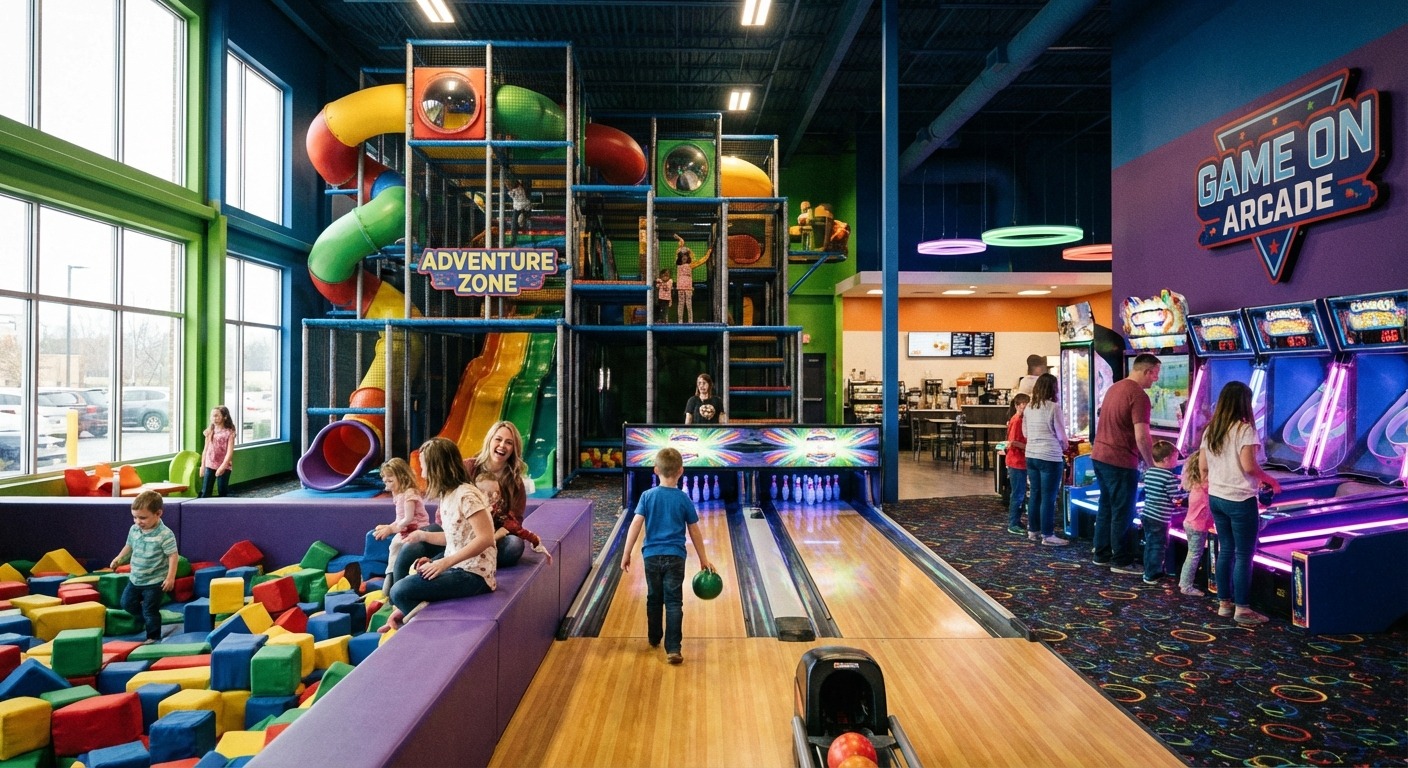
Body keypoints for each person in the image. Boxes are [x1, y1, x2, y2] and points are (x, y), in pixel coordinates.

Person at [384, 437, 496, 631]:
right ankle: (411, 614)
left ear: (438, 468)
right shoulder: (448, 495)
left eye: (425, 467)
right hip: (459, 568)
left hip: (475, 576)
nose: (423, 473)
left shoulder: (466, 495)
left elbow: (486, 538)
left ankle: (428, 629)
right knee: (405, 586)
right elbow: (455, 537)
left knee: (399, 591)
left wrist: (444, 563)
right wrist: (423, 536)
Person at [620, 446, 714, 665]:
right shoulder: (683, 498)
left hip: (651, 556)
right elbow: (695, 530)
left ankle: (654, 637)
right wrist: (703, 559)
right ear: (681, 471)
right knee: (674, 602)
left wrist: (626, 553)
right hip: (675, 557)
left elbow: (635, 524)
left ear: (655, 470)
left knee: (654, 598)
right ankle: (673, 648)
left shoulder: (647, 496)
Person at [1198, 381, 1280, 626]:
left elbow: (1202, 467)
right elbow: (1248, 466)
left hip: (1217, 498)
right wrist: (1270, 481)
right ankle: (1243, 609)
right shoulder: (1244, 429)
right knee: (1244, 554)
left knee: (1226, 550)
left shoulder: (1211, 430)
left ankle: (1225, 604)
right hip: (1240, 499)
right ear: (1244, 403)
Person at [1091, 353, 1161, 575]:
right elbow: (1142, 436)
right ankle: (1121, 560)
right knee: (1123, 510)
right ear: (1147, 371)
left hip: (1100, 455)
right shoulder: (1139, 396)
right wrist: (1151, 464)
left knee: (1106, 507)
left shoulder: (1115, 388)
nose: (1155, 380)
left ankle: (1101, 554)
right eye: (1155, 374)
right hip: (1119, 459)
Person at [464, 420, 552, 568]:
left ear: (513, 449)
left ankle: (476, 557)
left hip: (496, 536)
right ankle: (470, 555)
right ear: (490, 441)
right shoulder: (469, 467)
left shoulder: (515, 482)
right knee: (430, 533)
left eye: (509, 442)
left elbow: (515, 520)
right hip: (465, 530)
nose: (502, 445)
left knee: (514, 545)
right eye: (498, 439)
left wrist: (494, 536)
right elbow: (449, 498)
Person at [111, 490, 178, 643]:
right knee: (126, 603)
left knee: (150, 610)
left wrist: (170, 578)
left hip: (155, 581)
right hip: (136, 578)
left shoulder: (165, 534)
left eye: (143, 518)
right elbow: (129, 545)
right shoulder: (134, 529)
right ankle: (144, 620)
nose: (138, 521)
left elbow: (173, 555)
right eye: (134, 517)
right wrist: (119, 558)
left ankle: (153, 636)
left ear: (158, 513)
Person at [1021, 374, 1069, 546]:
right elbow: (1061, 435)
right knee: (1049, 497)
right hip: (1049, 456)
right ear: (1053, 388)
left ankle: (1032, 530)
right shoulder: (1053, 407)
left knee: (1035, 494)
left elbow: (1025, 433)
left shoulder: (1028, 408)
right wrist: (1065, 446)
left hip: (1031, 454)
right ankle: (1048, 535)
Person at [373, 457, 429, 591]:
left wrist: (391, 529)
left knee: (396, 545)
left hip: (417, 530)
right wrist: (389, 526)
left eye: (390, 480)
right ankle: (390, 577)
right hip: (406, 529)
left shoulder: (410, 494)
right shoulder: (398, 494)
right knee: (393, 546)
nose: (387, 482)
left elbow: (408, 519)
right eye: (385, 479)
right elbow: (400, 519)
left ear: (402, 477)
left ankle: (394, 581)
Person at [1139, 440, 1179, 585]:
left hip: (1147, 514)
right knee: (1158, 545)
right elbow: (1175, 498)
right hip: (1160, 517)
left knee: (1150, 544)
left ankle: (1148, 570)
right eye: (1175, 458)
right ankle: (1152, 574)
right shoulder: (1169, 477)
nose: (1177, 461)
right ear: (1167, 459)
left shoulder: (1149, 472)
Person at [1177, 449, 1212, 597]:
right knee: (1194, 555)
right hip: (1197, 526)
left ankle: (1183, 581)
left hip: (1190, 523)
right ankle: (1186, 585)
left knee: (1192, 553)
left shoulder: (1196, 484)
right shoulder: (1207, 486)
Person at [1004, 393, 1031, 536]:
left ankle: (1016, 520)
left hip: (1018, 461)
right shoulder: (1018, 421)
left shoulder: (1018, 419)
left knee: (1019, 493)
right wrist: (1031, 447)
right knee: (1018, 494)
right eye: (1024, 406)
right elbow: (1013, 442)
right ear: (1017, 406)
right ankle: (1013, 523)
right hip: (1017, 461)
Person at [199, 405, 236, 498]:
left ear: (225, 417)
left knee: (222, 491)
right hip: (210, 464)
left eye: (216, 416)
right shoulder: (210, 431)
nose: (213, 418)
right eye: (212, 416)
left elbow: (229, 452)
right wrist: (202, 465)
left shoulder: (229, 432)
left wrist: (222, 467)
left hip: (224, 465)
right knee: (205, 492)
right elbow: (205, 449)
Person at [674, 234, 695, 323]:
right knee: (681, 304)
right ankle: (680, 320)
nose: (684, 257)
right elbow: (677, 251)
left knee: (689, 304)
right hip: (680, 286)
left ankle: (690, 321)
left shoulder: (690, 265)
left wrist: (688, 249)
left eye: (685, 256)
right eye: (682, 256)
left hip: (688, 286)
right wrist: (680, 239)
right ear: (680, 257)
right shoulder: (678, 265)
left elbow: (693, 255)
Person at [507, 179, 531, 245]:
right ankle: (513, 240)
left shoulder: (518, 190)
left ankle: (513, 240)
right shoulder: (519, 189)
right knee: (514, 223)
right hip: (522, 208)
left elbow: (511, 190)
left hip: (523, 208)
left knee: (514, 223)